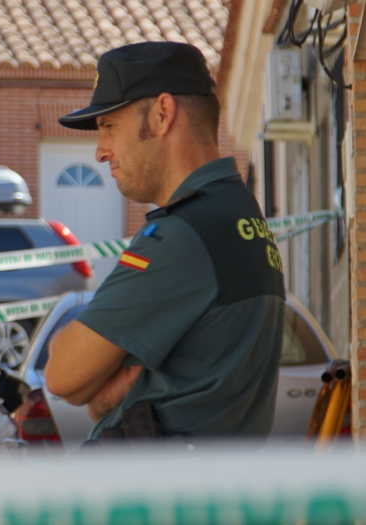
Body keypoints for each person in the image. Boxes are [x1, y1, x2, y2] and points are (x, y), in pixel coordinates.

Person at [44, 42, 286, 441]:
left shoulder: (184, 233)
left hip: (152, 492)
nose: (101, 152)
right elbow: (95, 398)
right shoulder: (237, 213)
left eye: (109, 127)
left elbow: (63, 375)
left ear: (162, 114)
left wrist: (95, 373)